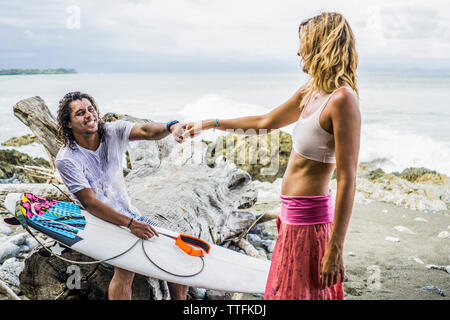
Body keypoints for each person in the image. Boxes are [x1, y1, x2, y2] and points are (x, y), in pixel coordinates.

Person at [183, 12, 360, 300]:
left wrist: (335, 247)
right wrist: (210, 123)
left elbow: (349, 178)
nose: (297, 50)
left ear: (320, 44)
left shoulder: (342, 101)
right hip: (290, 219)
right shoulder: (310, 91)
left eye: (302, 42)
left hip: (311, 224)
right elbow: (265, 122)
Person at [55, 91, 188, 300]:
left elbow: (146, 130)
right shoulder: (67, 159)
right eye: (80, 113)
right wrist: (130, 224)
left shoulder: (111, 132)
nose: (89, 115)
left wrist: (172, 126)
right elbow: (90, 203)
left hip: (129, 214)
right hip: (97, 224)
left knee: (176, 251)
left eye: (91, 109)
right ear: (69, 124)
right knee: (127, 265)